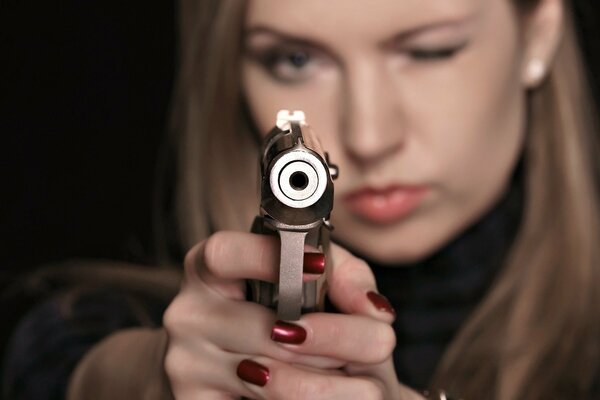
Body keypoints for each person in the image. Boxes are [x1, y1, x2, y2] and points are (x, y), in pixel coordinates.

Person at [4, 0, 600, 399]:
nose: (369, 136)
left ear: (538, 31)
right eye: (296, 60)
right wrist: (147, 375)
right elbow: (57, 358)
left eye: (428, 50)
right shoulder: (108, 325)